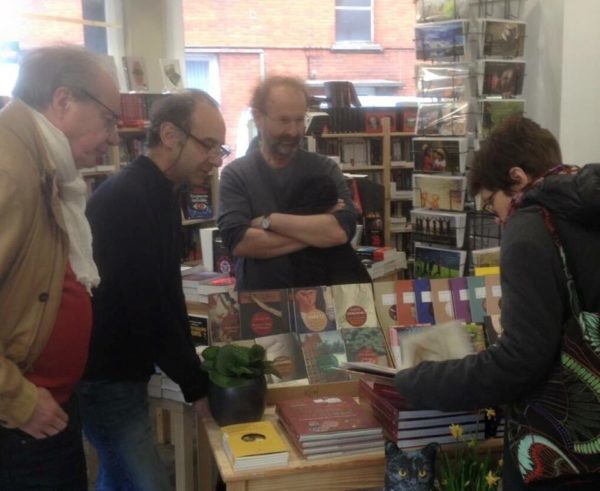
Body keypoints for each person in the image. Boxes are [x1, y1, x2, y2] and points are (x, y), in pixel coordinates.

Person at [393, 116, 600, 490]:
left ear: (517, 178)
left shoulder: (530, 229)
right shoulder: (588, 210)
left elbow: (520, 362)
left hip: (563, 457)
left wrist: (418, 381)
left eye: (492, 203)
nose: (499, 218)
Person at [77, 90, 225, 490]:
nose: (215, 159)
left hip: (123, 372)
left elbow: (167, 288)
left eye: (219, 148)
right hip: (105, 376)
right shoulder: (130, 197)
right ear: (170, 135)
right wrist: (195, 385)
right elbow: (148, 305)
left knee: (118, 476)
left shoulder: (160, 193)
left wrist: (193, 372)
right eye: (208, 146)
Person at [0, 45, 120, 490]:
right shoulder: (10, 169)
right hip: (18, 423)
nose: (113, 137)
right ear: (64, 100)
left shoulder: (44, 164)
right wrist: (17, 399)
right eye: (108, 119)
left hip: (43, 411)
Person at [218, 75, 365, 290]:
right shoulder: (236, 174)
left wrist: (270, 221)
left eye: (299, 120)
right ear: (258, 117)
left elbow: (342, 231)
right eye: (284, 120)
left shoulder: (324, 168)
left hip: (322, 302)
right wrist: (316, 233)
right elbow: (240, 242)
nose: (294, 131)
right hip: (262, 306)